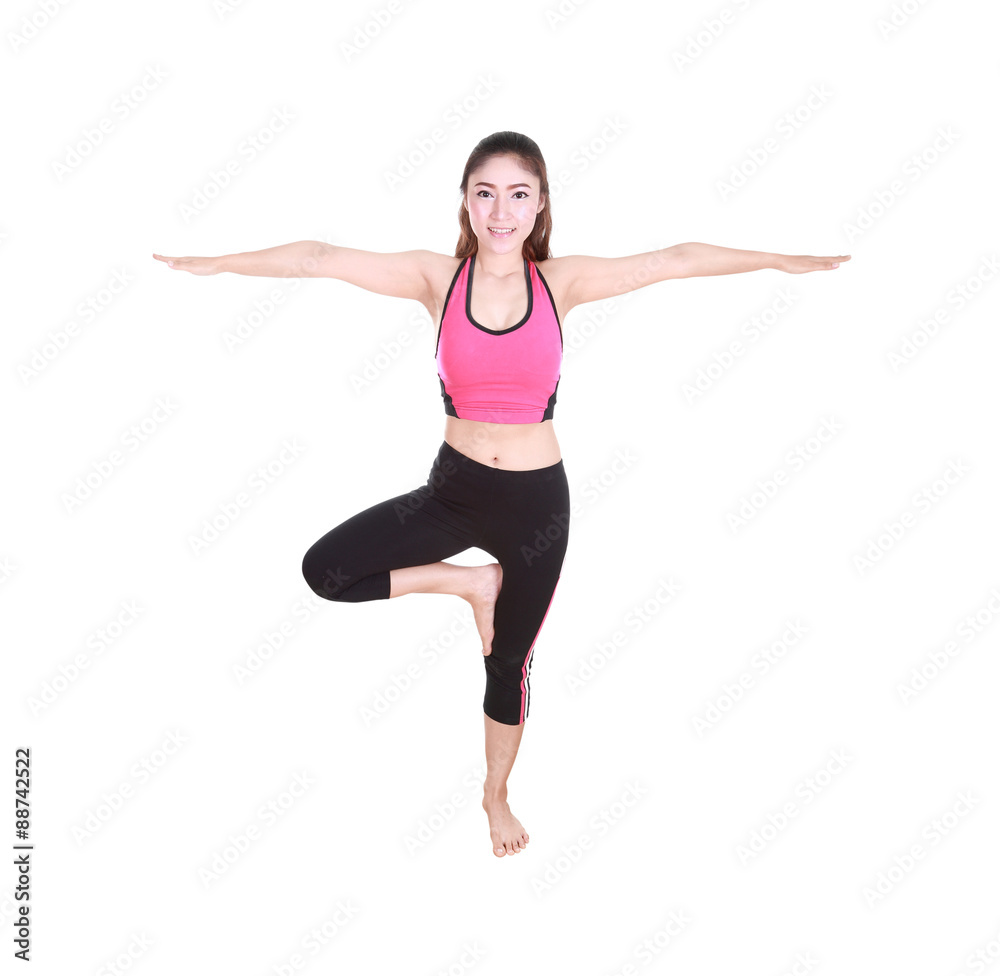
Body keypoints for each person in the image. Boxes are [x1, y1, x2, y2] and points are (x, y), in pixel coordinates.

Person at [153, 129, 850, 858]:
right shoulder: (436, 278)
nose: (500, 210)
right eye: (485, 192)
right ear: (465, 200)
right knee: (326, 572)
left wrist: (775, 258)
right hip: (453, 492)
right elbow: (319, 258)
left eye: (518, 194)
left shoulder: (561, 282)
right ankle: (468, 584)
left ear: (540, 204)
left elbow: (674, 260)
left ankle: (494, 795)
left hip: (534, 507)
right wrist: (222, 265)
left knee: (506, 665)